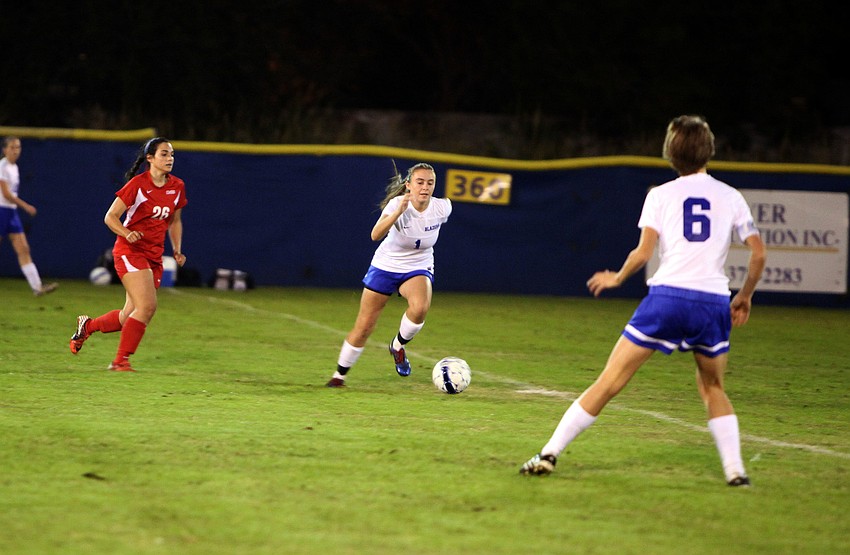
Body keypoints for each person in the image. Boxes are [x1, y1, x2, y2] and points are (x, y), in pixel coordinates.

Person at [520, 115, 766, 487]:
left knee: (610, 381)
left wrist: (616, 278)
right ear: (709, 151)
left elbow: (642, 253)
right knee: (713, 388)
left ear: (669, 153)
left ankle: (550, 453)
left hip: (667, 298)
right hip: (712, 303)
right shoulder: (731, 196)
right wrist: (744, 296)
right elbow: (759, 254)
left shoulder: (660, 195)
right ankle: (736, 472)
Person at [327, 162, 452, 387]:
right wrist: (398, 212)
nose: (425, 187)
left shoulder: (443, 208)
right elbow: (375, 235)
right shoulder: (397, 204)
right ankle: (339, 376)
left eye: (430, 183)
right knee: (364, 326)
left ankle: (397, 346)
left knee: (420, 307)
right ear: (409, 185)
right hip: (386, 265)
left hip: (418, 265)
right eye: (420, 182)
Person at [69, 137, 188, 372]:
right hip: (130, 252)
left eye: (172, 154)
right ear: (150, 158)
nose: (170, 158)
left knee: (127, 316)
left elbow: (175, 220)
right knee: (147, 307)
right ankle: (120, 361)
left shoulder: (177, 186)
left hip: (154, 256)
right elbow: (110, 217)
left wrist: (177, 249)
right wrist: (126, 233)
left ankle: (88, 326)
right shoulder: (137, 185)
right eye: (164, 154)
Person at [0, 136, 58, 296]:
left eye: (18, 147)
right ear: (4, 150)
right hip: (2, 210)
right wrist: (26, 206)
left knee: (24, 249)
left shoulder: (14, 167)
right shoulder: (2, 166)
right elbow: (6, 194)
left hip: (11, 213)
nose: (16, 150)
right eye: (12, 147)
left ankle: (37, 287)